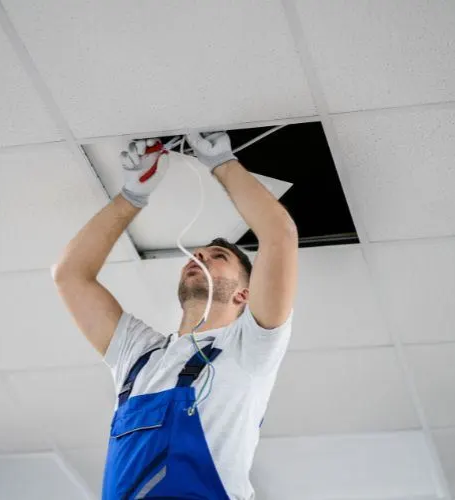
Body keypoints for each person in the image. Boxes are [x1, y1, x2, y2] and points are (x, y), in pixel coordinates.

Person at [53, 131, 298, 499]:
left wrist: (223, 165)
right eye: (197, 254)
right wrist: (132, 196)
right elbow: (69, 274)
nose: (200, 257)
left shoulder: (251, 347)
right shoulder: (138, 357)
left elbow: (279, 234)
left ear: (246, 295)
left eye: (219, 257)